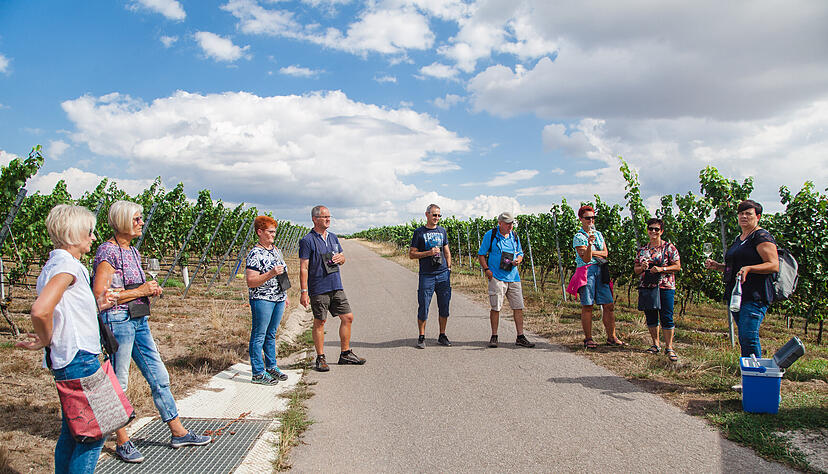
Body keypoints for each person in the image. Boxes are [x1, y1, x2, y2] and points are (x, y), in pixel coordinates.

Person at [92, 201, 210, 464]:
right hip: (118, 321)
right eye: (136, 219)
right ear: (122, 221)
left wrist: (148, 289)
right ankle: (122, 440)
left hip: (138, 320)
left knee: (159, 375)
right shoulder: (107, 253)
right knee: (119, 382)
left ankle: (178, 431)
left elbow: (134, 286)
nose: (141, 223)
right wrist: (140, 291)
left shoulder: (132, 251)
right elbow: (100, 296)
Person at [16, 205, 119, 473]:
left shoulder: (55, 264)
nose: (94, 238)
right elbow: (40, 310)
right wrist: (44, 337)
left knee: (72, 432)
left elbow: (62, 312)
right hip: (80, 359)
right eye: (90, 232)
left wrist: (97, 306)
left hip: (68, 358)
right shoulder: (67, 266)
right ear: (74, 234)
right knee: (94, 433)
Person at [705, 199, 779, 358]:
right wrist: (718, 266)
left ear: (758, 216)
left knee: (749, 337)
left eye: (748, 213)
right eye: (741, 213)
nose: (744, 216)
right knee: (744, 338)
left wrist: (750, 268)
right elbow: (737, 266)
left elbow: (773, 265)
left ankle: (755, 378)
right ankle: (748, 378)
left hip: (755, 295)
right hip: (738, 295)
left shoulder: (761, 236)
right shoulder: (741, 238)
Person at [299, 205, 366, 372]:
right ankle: (320, 357)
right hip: (319, 287)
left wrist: (341, 258)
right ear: (315, 219)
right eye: (324, 217)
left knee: (348, 317)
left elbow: (342, 258)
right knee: (320, 321)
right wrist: (304, 291)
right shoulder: (307, 241)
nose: (328, 219)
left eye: (329, 216)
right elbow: (303, 267)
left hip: (336, 285)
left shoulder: (334, 238)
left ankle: (345, 353)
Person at [477, 212, 536, 348]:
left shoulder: (514, 236)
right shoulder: (490, 235)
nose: (510, 226)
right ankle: (494, 336)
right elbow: (481, 254)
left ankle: (520, 336)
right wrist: (487, 270)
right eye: (508, 223)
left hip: (513, 276)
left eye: (512, 223)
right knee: (496, 307)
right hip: (497, 277)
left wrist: (518, 260)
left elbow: (520, 253)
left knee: (518, 307)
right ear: (500, 223)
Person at [570, 205, 625, 349]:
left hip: (601, 270)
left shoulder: (598, 234)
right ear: (581, 219)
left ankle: (611, 336)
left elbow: (605, 253)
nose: (591, 220)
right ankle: (588, 338)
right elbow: (586, 259)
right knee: (588, 306)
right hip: (586, 272)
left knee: (609, 304)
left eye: (593, 218)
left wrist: (591, 251)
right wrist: (590, 246)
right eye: (588, 218)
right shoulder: (579, 237)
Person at [245, 215, 290, 384]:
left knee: (271, 334)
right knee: (259, 335)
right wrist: (270, 273)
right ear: (260, 232)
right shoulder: (255, 254)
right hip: (262, 299)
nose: (273, 235)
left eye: (274, 231)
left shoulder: (276, 250)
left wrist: (284, 294)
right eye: (270, 232)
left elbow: (282, 272)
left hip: (278, 298)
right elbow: (251, 281)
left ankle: (271, 366)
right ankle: (257, 372)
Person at [633, 218, 681, 361]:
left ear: (661, 231)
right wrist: (641, 268)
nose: (653, 231)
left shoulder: (669, 248)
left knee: (667, 316)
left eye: (656, 229)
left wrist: (662, 268)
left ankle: (669, 347)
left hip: (665, 286)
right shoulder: (642, 250)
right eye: (651, 228)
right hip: (647, 286)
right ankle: (655, 344)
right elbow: (635, 269)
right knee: (651, 316)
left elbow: (677, 266)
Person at [409, 204, 452, 349]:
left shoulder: (442, 231)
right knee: (424, 306)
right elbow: (412, 254)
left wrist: (449, 268)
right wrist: (428, 253)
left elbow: (447, 251)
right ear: (427, 215)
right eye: (434, 215)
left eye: (439, 215)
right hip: (427, 276)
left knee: (444, 307)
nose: (437, 218)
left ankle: (442, 335)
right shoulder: (419, 233)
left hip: (442, 274)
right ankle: (421, 336)